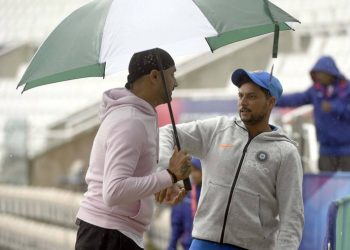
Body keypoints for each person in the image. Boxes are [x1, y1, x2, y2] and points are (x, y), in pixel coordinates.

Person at [157, 69, 304, 250]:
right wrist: (165, 172)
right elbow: (167, 132)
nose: (243, 102)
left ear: (270, 102)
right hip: (202, 242)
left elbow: (292, 217)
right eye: (240, 95)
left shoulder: (285, 152)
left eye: (251, 97)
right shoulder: (218, 129)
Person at [74, 48, 192, 250]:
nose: (175, 82)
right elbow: (114, 192)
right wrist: (169, 175)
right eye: (172, 74)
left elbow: (128, 178)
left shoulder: (138, 115)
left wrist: (161, 184)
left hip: (110, 234)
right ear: (155, 76)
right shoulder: (130, 121)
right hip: (108, 236)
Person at [276, 56, 350, 172]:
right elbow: (297, 99)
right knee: (326, 187)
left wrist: (334, 107)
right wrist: (273, 100)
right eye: (316, 74)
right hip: (326, 150)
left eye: (321, 73)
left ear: (331, 73)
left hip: (347, 149)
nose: (318, 77)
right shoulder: (315, 91)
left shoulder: (347, 89)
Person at [168, 157, 202, 250]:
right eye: (192, 171)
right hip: (187, 245)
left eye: (197, 171)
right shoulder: (186, 195)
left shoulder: (206, 196)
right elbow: (176, 225)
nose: (193, 175)